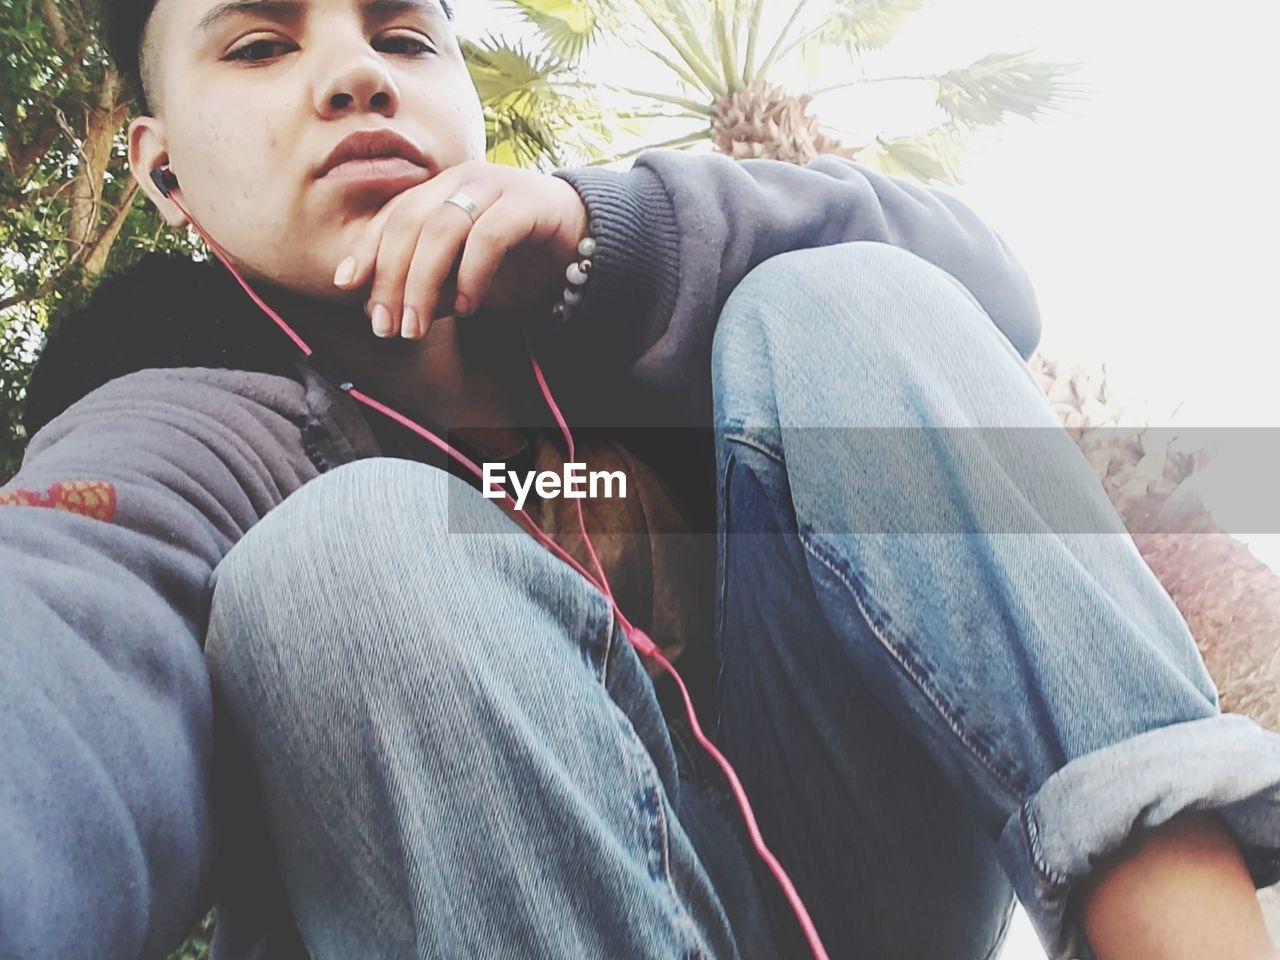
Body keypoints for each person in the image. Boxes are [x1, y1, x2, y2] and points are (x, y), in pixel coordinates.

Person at [2, 0, 1278, 957]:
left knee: (841, 298)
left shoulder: (632, 309)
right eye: (258, 46)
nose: (351, 74)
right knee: (350, 552)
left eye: (402, 36)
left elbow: (986, 289)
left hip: (869, 872)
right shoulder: (178, 424)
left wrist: (612, 244)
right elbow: (63, 637)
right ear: (160, 169)